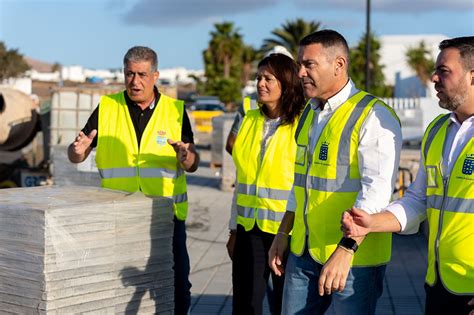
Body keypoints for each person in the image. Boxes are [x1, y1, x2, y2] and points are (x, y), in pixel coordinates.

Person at [268, 29, 402, 314]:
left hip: (354, 261)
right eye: (299, 64)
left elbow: (375, 194)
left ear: (339, 65)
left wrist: (346, 249)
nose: (301, 72)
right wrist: (283, 233)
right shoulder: (309, 113)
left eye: (309, 65)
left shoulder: (372, 116)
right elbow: (300, 183)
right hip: (303, 254)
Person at [341, 36, 474, 315]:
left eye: (444, 71)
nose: (434, 78)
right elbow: (418, 200)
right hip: (439, 285)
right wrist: (371, 222)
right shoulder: (438, 130)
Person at [67, 46, 199, 315]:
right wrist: (77, 152)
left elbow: (192, 162)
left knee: (177, 285)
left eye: (141, 74)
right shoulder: (107, 107)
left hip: (165, 216)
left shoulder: (175, 110)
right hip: (119, 216)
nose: (135, 81)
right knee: (120, 287)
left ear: (155, 75)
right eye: (129, 74)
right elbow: (77, 152)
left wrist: (185, 157)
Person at [228, 53, 306, 315]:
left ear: (286, 83)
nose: (261, 84)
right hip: (249, 229)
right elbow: (243, 180)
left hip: (288, 232)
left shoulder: (303, 123)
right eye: (259, 78)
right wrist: (233, 230)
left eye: (268, 79)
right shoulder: (250, 120)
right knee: (245, 304)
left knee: (286, 305)